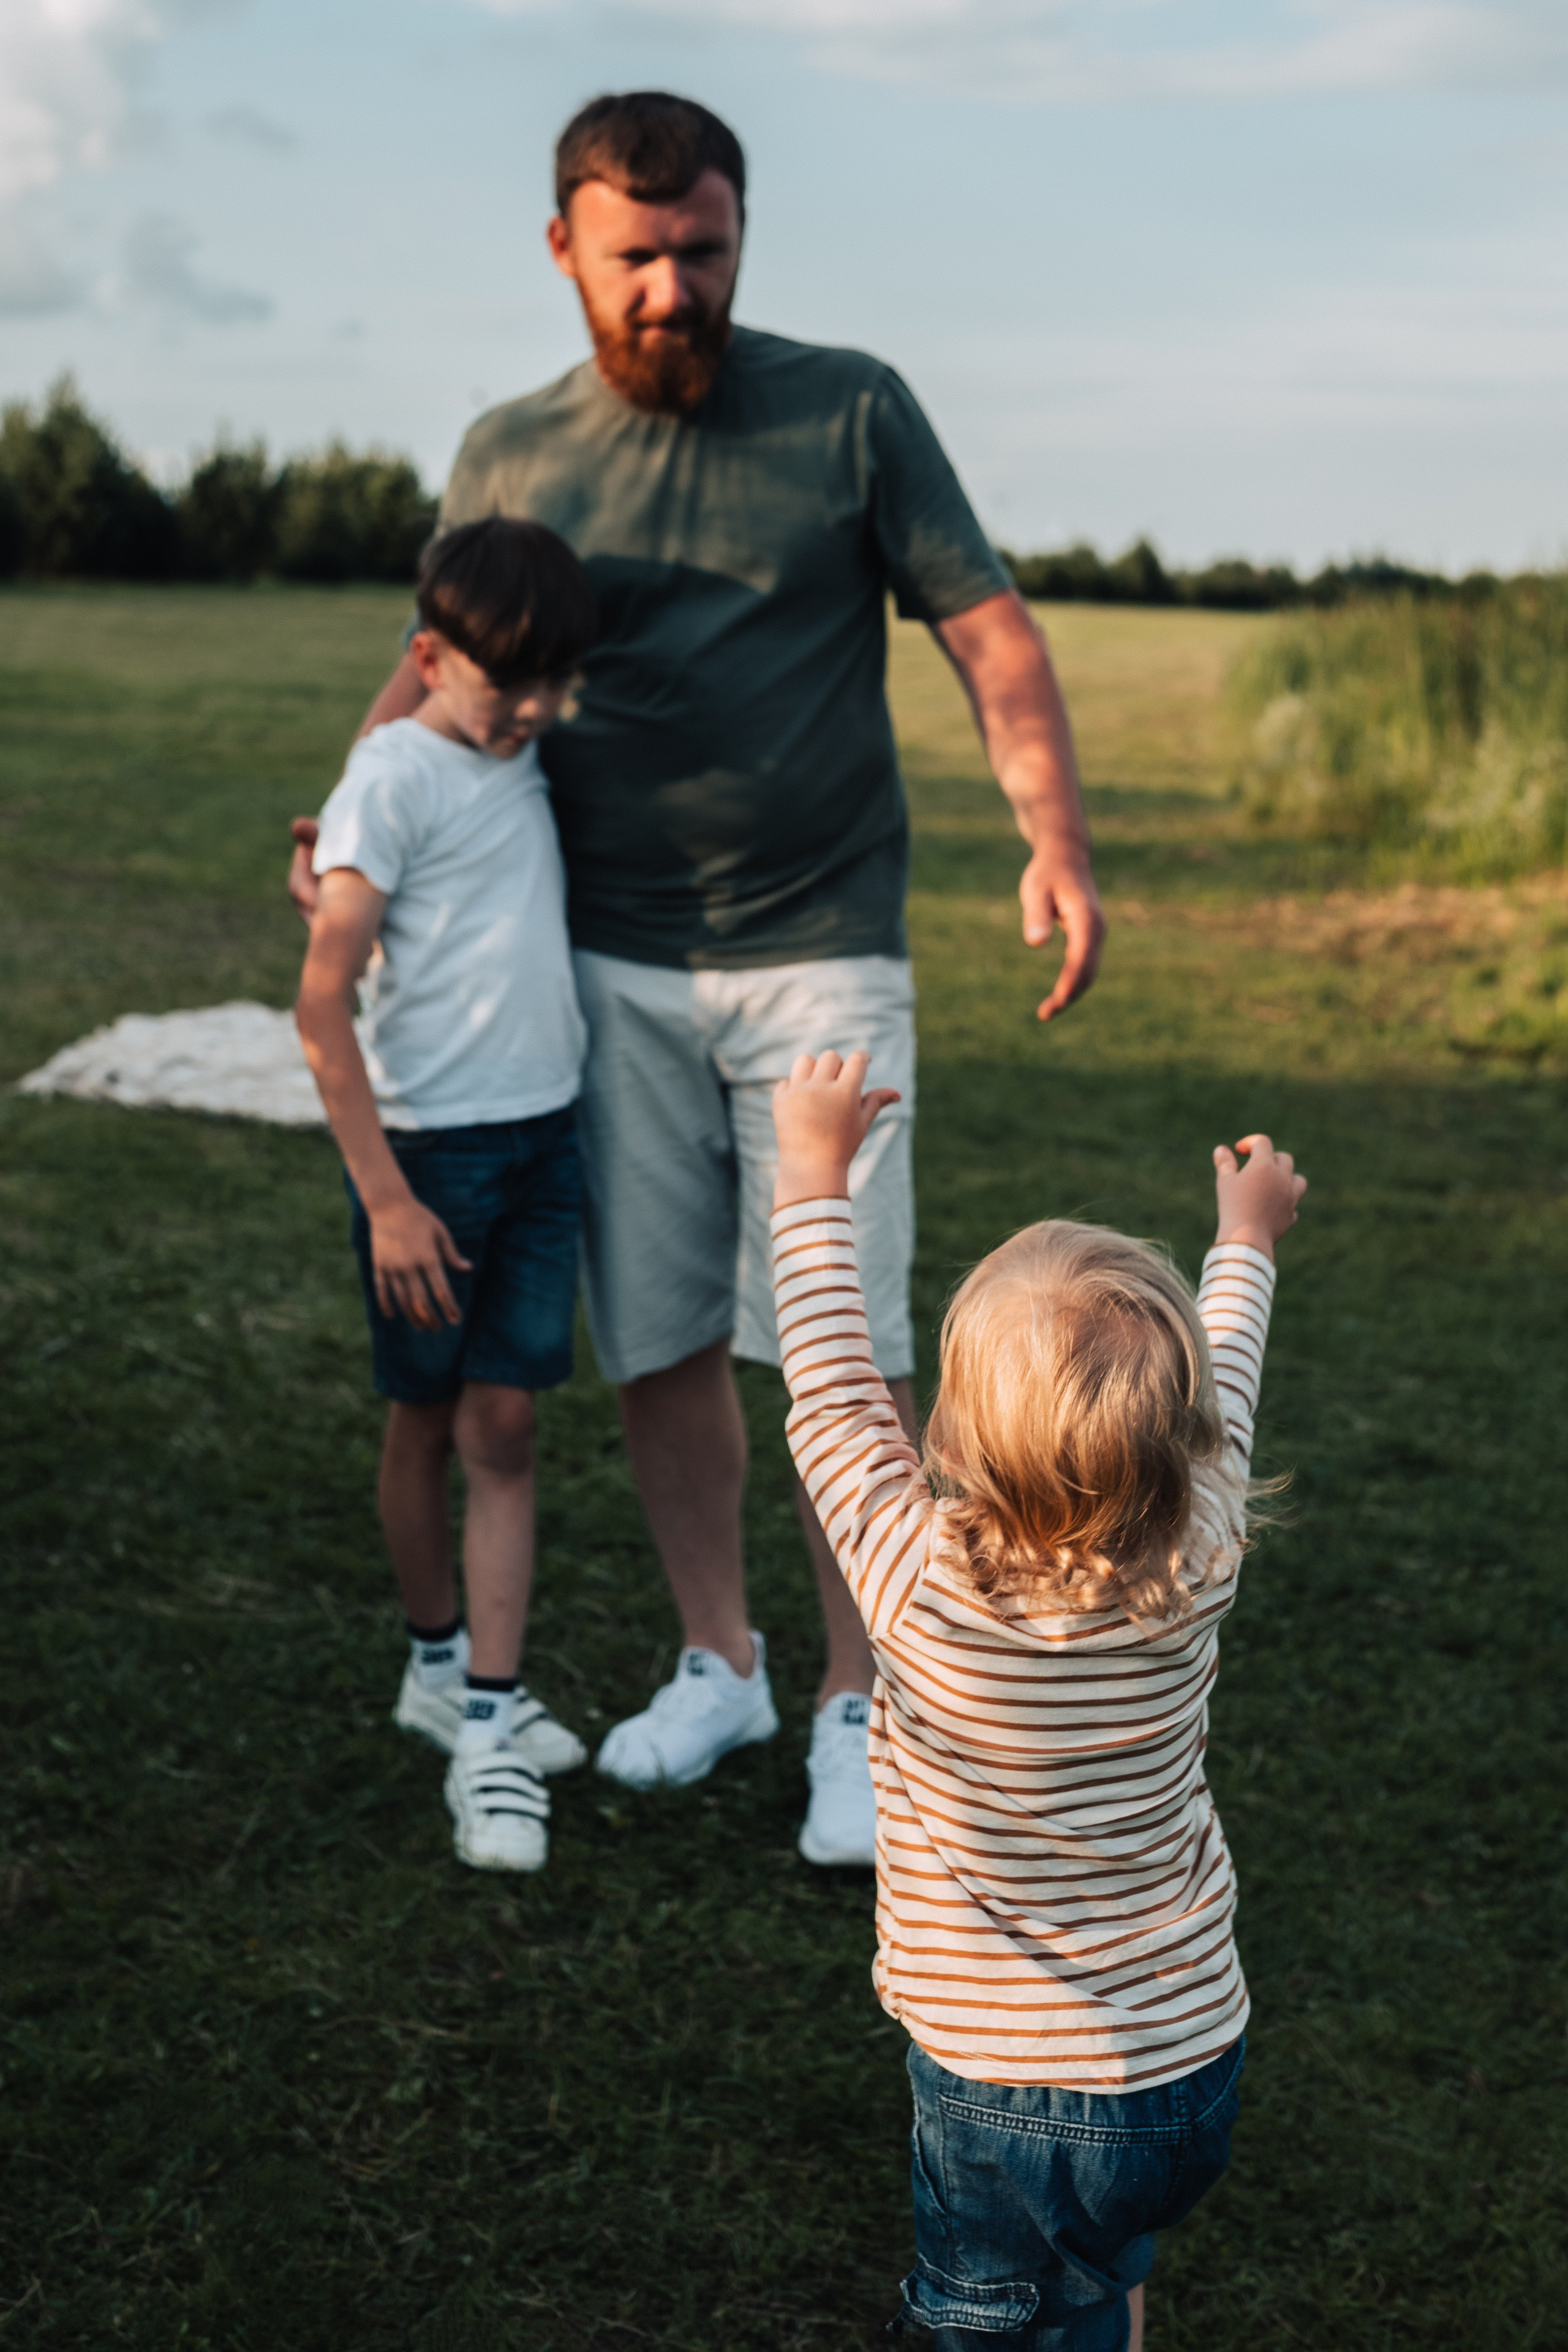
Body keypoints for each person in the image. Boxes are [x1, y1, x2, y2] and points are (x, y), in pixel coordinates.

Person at [290, 89, 1107, 1868]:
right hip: (605, 968)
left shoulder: (853, 406)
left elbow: (988, 626)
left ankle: (855, 1708)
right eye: (638, 255)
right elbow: (431, 671)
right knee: (659, 1332)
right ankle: (719, 1661)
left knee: (847, 1350)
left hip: (823, 959)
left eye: (705, 250)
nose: (674, 287)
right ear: (567, 250)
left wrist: (1053, 837)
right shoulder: (513, 446)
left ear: (744, 239)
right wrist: (346, 824)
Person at [767, 1052, 1305, 2350]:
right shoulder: (1201, 1552)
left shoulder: (911, 1579)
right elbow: (1223, 1379)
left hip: (997, 2081)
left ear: (957, 1421)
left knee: (990, 2321)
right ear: (1179, 1444)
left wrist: (808, 1172)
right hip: (1186, 2062)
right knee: (1102, 2262)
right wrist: (1245, 1237)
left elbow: (832, 1384)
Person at [295, 516, 600, 1874]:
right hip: (429, 1167)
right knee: (425, 1421)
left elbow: (480, 702)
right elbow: (320, 1006)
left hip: (545, 1143)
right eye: (510, 685)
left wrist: (500, 712)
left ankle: (486, 1701)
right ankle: (447, 1681)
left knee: (508, 1421)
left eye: (555, 685)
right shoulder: (396, 779)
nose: (538, 711)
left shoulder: (506, 745)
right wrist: (390, 1200)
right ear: (428, 659)